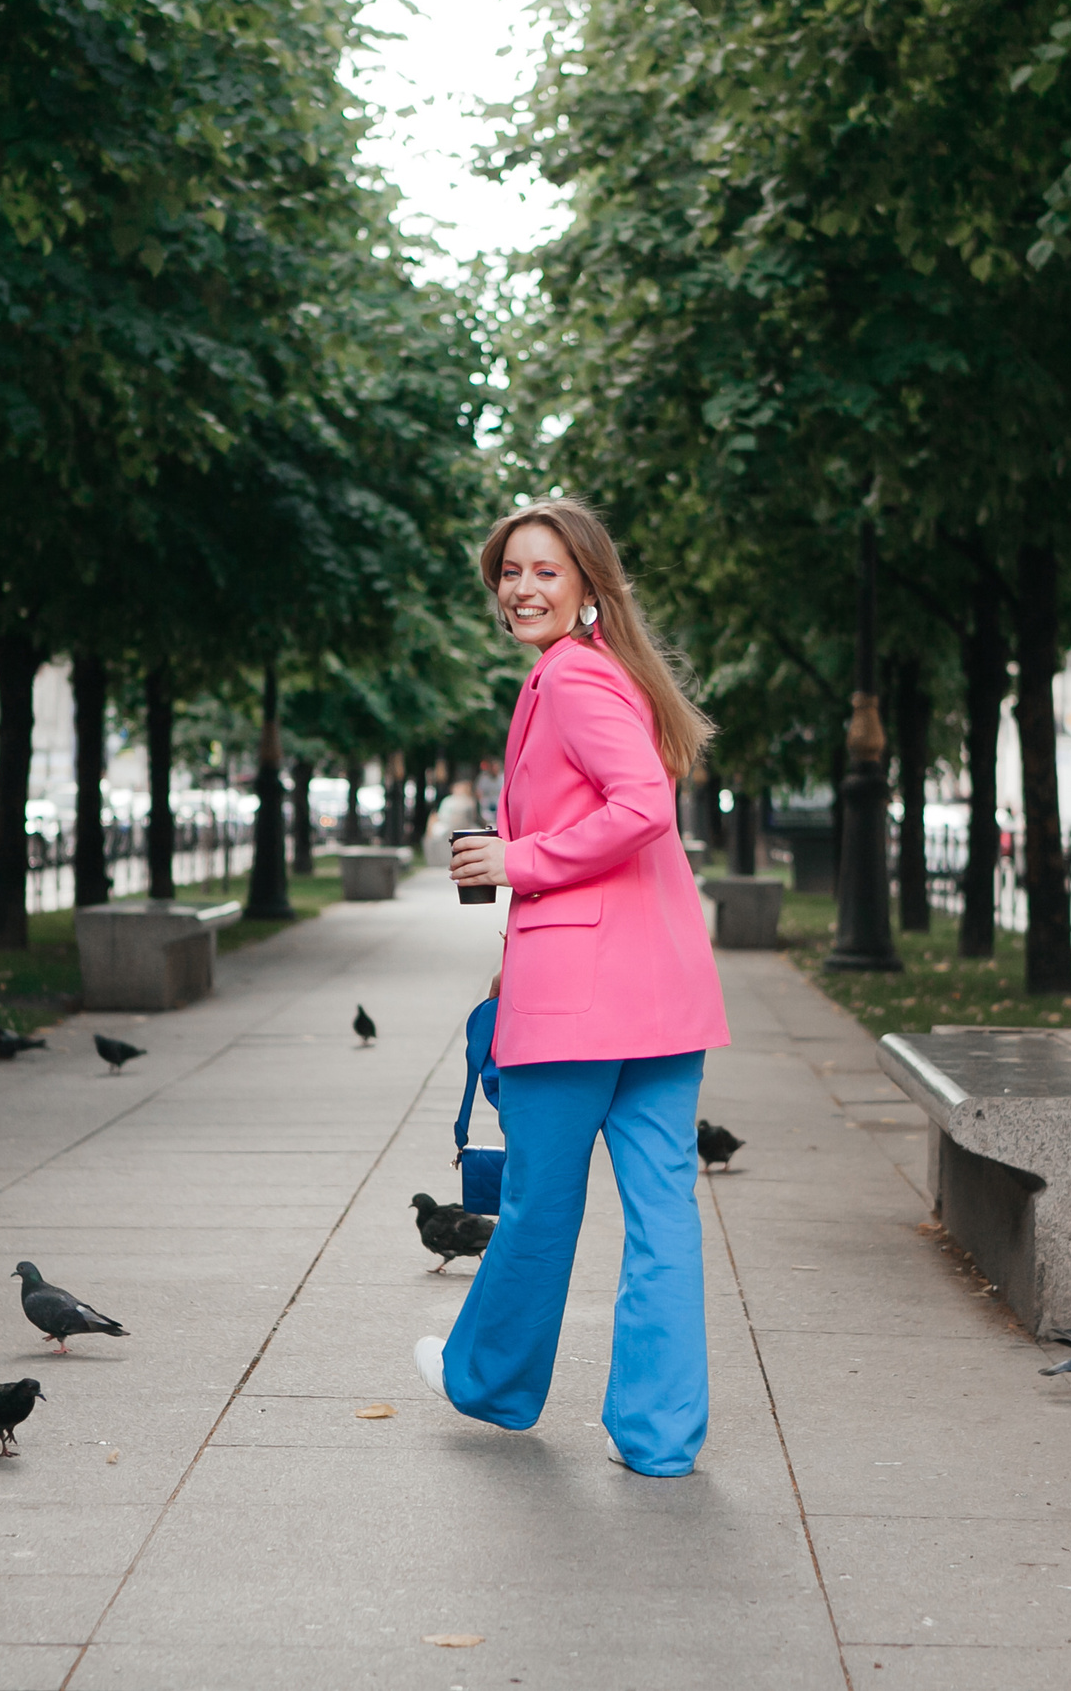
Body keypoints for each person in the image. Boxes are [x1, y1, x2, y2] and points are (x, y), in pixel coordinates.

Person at [421, 497, 729, 1477]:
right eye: (510, 572)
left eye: (545, 571)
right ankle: (660, 1438)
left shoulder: (571, 678)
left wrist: (517, 859)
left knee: (540, 1208)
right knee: (663, 1218)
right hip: (661, 997)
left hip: (577, 1004)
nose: (522, 588)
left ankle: (491, 1383)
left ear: (588, 585)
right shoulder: (614, 674)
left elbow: (642, 807)